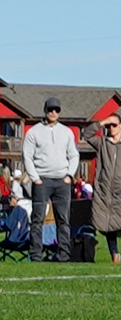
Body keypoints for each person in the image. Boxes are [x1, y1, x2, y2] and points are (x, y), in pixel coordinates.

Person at [24, 98, 79, 264]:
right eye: (50, 110)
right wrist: (35, 178)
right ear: (45, 110)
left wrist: (69, 175)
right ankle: (36, 255)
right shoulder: (34, 132)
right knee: (37, 219)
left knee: (63, 219)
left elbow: (74, 155)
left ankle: (63, 255)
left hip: (62, 181)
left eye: (56, 110)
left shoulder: (67, 132)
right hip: (42, 181)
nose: (53, 113)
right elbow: (27, 156)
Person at [82, 111, 121, 263]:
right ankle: (114, 253)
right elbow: (87, 135)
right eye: (109, 125)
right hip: (105, 191)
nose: (111, 128)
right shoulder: (103, 143)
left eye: (114, 124)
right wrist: (102, 122)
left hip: (119, 191)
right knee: (107, 224)